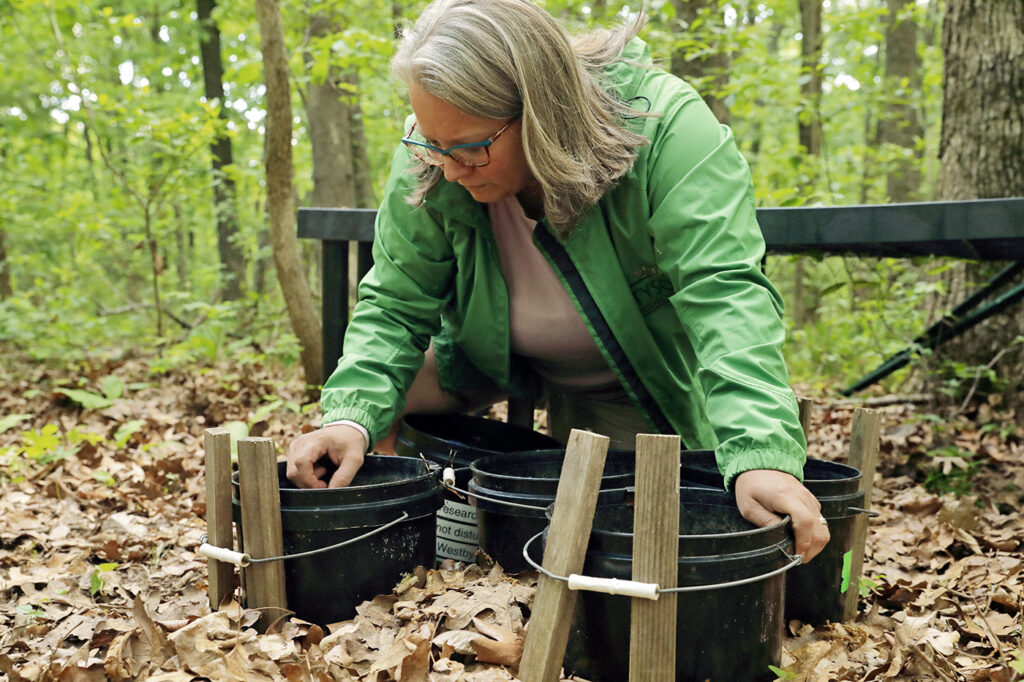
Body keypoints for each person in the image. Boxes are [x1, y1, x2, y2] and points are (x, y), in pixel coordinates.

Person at [286, 0, 830, 562]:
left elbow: (724, 295)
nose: (447, 168)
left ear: (543, 113)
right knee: (376, 407)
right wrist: (348, 418)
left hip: (629, 373)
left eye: (470, 149)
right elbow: (396, 304)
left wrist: (760, 453)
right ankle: (401, 545)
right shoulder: (434, 151)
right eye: (431, 142)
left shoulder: (665, 129)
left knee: (626, 531)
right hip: (487, 349)